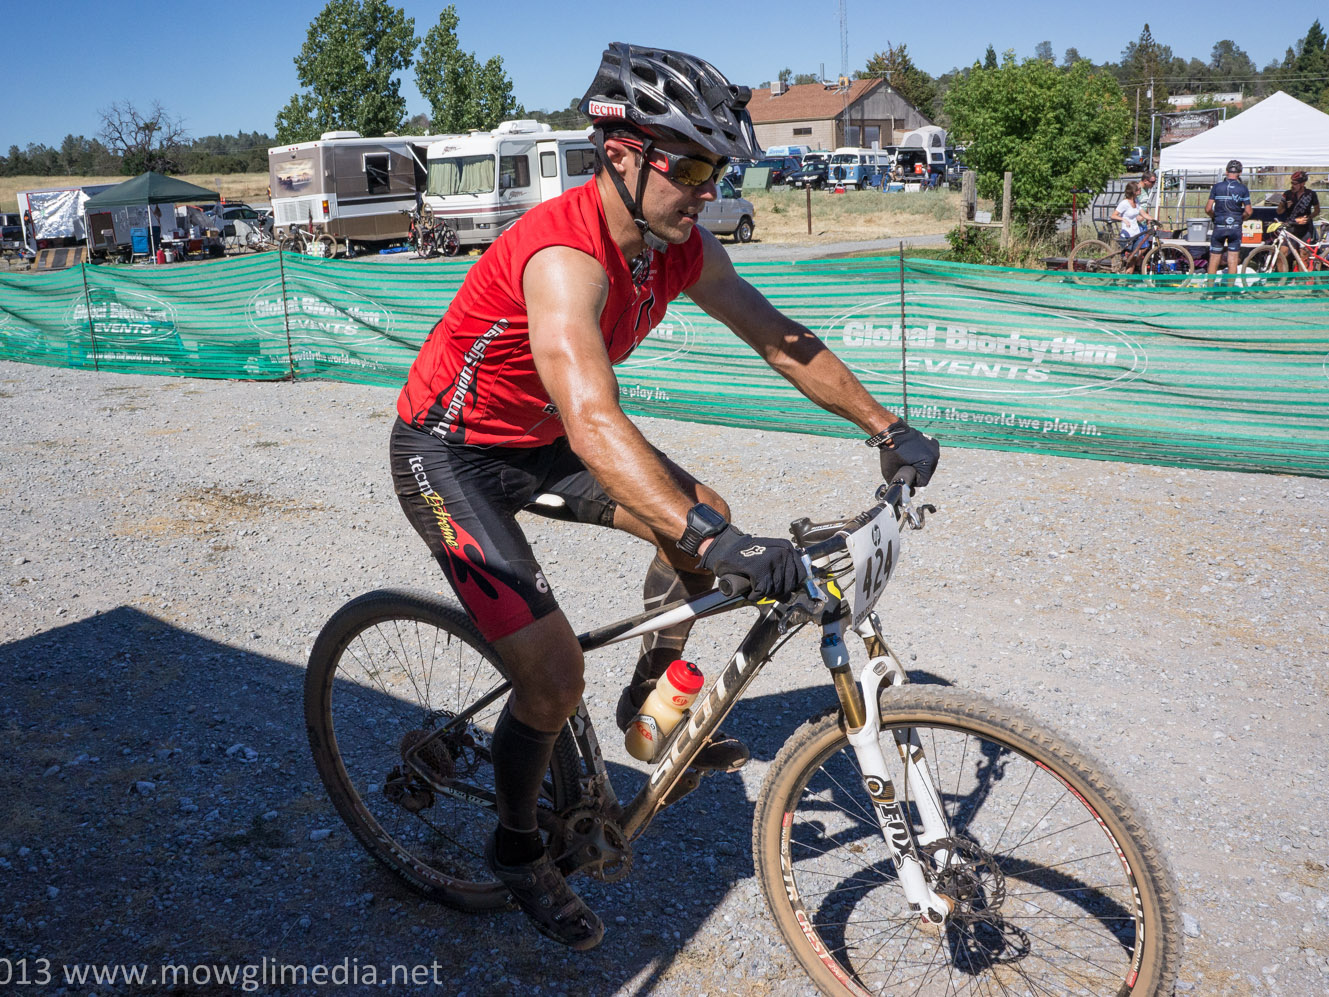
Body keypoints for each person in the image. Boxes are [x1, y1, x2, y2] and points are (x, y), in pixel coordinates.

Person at [388, 42, 939, 951]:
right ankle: (517, 849)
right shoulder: (565, 258)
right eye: (686, 168)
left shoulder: (676, 246)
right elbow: (594, 420)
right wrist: (714, 541)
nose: (704, 190)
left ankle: (646, 701)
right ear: (620, 154)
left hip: (539, 438)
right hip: (449, 454)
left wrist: (888, 428)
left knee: (700, 514)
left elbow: (780, 337)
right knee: (552, 674)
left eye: (716, 171)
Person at [1205, 160, 1251, 277]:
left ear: (1226, 172)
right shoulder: (1243, 188)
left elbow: (1208, 209)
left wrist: (1215, 217)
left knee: (1214, 258)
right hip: (1235, 226)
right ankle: (1230, 289)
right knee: (1233, 259)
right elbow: (1249, 211)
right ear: (1240, 173)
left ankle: (1210, 288)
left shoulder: (1217, 187)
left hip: (1219, 225)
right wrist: (1241, 218)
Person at [1111, 181, 1156, 267]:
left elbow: (1143, 213)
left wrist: (1154, 219)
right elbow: (1113, 216)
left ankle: (1128, 274)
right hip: (1127, 235)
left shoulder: (1136, 201)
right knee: (1129, 258)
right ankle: (1121, 269)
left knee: (1134, 258)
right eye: (1138, 189)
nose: (1140, 190)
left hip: (1136, 234)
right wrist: (1123, 219)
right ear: (1133, 191)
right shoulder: (1124, 203)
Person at [1275, 170, 1320, 242]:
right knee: (1284, 248)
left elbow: (1317, 210)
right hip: (1290, 226)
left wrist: (1308, 218)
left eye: (1295, 184)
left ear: (1302, 184)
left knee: (1304, 249)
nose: (1292, 186)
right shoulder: (1287, 194)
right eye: (1292, 183)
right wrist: (1285, 205)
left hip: (1305, 228)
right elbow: (1279, 211)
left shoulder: (1311, 194)